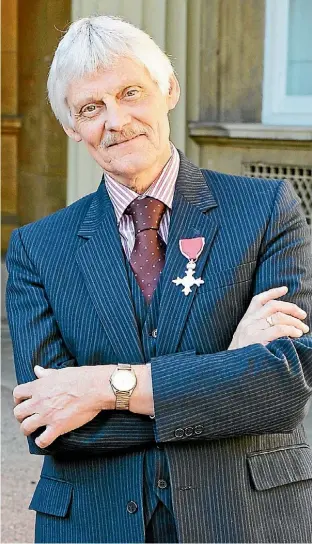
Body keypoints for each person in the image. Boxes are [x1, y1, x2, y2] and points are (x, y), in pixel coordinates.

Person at [6, 15, 312, 544]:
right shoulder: (37, 248)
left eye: (130, 92)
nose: (116, 120)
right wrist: (226, 370)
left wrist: (101, 387)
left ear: (168, 89)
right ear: (70, 128)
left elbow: (283, 388)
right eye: (90, 108)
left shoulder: (266, 209)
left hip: (240, 520)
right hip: (93, 525)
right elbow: (49, 424)